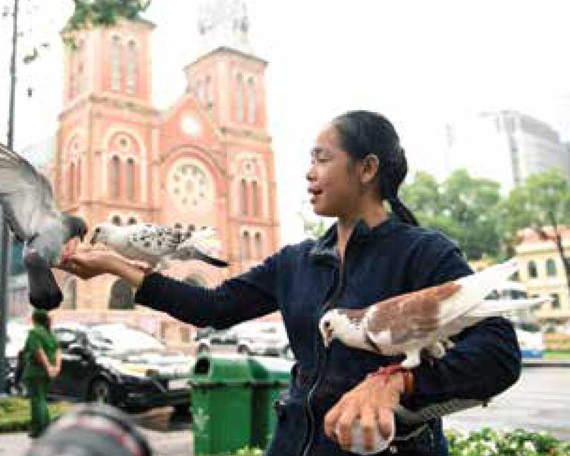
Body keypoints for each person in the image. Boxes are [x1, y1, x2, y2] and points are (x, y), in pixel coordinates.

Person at [59, 110, 521, 455]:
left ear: (366, 169)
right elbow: (213, 308)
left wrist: (398, 382)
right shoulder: (297, 262)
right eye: (309, 160)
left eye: (322, 159)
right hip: (295, 443)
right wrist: (116, 266)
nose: (309, 172)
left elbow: (499, 353)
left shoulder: (424, 254)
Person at [23, 309, 62, 438]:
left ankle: (38, 429)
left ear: (34, 319)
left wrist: (48, 367)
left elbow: (38, 352)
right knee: (42, 399)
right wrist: (56, 367)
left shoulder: (34, 332)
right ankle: (46, 427)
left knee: (36, 400)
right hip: (46, 373)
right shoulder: (49, 333)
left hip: (35, 371)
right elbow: (58, 351)